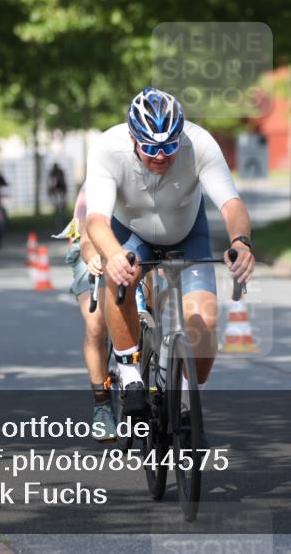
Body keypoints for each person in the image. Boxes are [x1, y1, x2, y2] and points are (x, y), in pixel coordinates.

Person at [85, 87, 255, 417]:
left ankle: (192, 403)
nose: (160, 156)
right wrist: (115, 255)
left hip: (187, 234)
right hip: (131, 234)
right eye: (150, 147)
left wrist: (240, 242)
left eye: (169, 147)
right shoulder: (108, 147)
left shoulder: (200, 143)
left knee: (205, 322)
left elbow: (231, 204)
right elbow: (96, 220)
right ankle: (130, 373)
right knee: (120, 277)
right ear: (133, 138)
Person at [58, 186, 115, 441]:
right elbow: (86, 236)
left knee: (152, 306)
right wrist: (93, 257)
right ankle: (102, 405)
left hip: (131, 246)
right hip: (88, 244)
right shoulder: (100, 173)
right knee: (96, 324)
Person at [47, 162, 68, 228]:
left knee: (62, 208)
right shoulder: (52, 173)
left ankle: (62, 221)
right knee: (57, 207)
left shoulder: (60, 173)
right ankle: (58, 222)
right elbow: (51, 184)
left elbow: (63, 183)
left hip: (60, 192)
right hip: (56, 193)